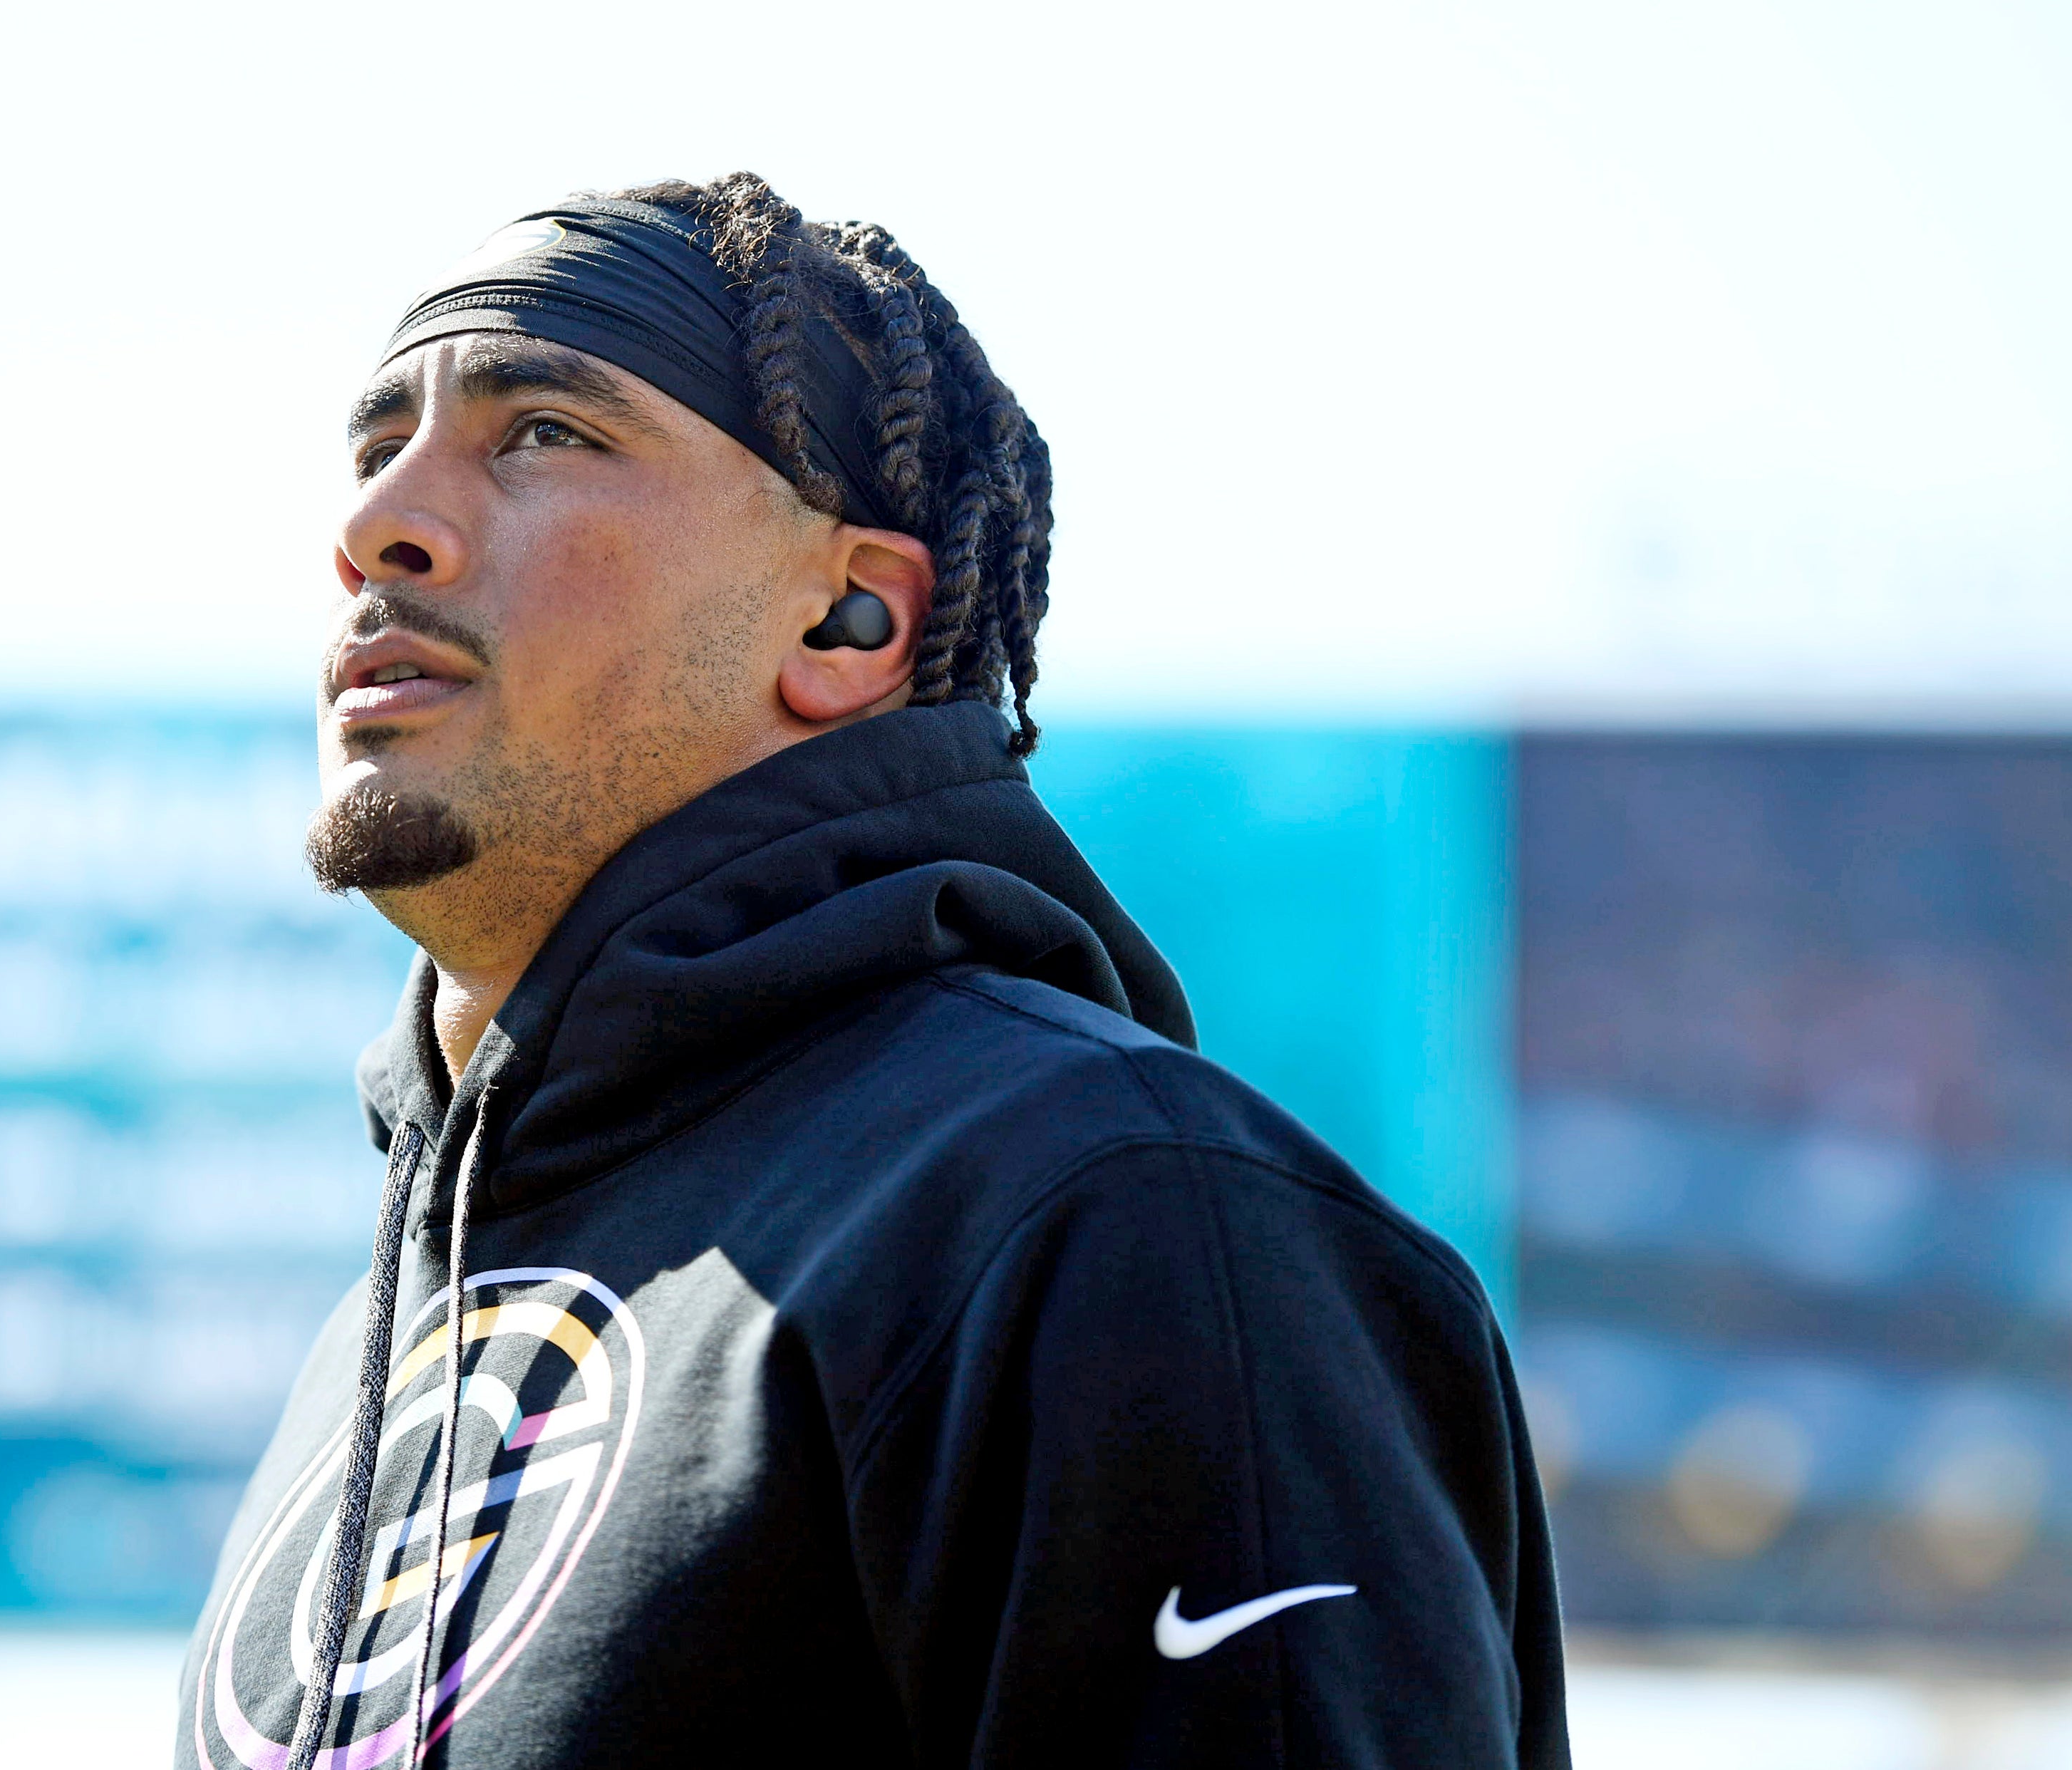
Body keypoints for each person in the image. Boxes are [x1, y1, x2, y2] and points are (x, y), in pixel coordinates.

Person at [177, 172, 1569, 1769]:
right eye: (375, 451)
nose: (373, 528)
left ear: (847, 623)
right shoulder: (387, 1328)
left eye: (544, 432)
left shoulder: (1117, 1217)